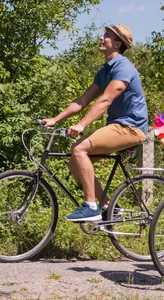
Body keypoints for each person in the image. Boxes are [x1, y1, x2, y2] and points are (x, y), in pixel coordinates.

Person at [43, 24, 148, 222]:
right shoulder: (105, 71)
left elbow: (105, 100)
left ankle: (90, 206)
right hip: (117, 126)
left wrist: (81, 125)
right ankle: (110, 207)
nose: (101, 38)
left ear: (117, 43)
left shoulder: (123, 67)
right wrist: (55, 120)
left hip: (130, 127)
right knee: (75, 164)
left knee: (79, 149)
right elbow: (83, 100)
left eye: (106, 36)